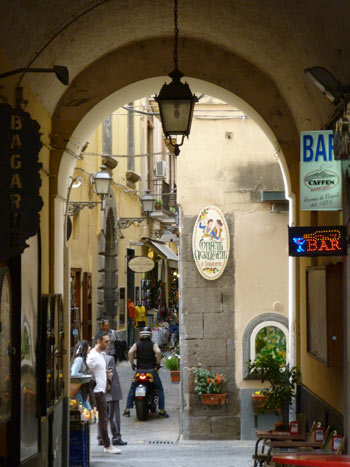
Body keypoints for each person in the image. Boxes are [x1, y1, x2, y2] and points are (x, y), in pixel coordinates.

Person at [86, 331, 121, 455]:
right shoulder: (93, 356)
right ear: (98, 341)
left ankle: (106, 444)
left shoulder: (101, 354)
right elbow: (86, 369)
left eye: (109, 341)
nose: (108, 344)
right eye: (106, 341)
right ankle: (107, 445)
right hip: (97, 392)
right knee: (103, 419)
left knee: (102, 419)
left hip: (101, 390)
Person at [123, 327, 169, 418]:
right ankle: (162, 410)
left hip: (139, 371)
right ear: (150, 335)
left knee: (132, 388)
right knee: (160, 389)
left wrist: (132, 363)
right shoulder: (153, 344)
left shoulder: (137, 344)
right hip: (151, 371)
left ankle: (127, 410)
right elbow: (159, 352)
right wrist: (157, 364)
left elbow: (130, 352)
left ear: (140, 336)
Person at [98, 353, 127, 446]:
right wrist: (108, 386)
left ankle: (101, 437)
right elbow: (110, 374)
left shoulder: (93, 358)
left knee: (102, 416)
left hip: (100, 391)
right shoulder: (109, 358)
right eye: (107, 342)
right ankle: (116, 437)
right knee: (113, 415)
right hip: (110, 391)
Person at [70, 340, 93, 411]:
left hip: (81, 390)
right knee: (86, 409)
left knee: (86, 410)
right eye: (88, 346)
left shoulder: (81, 359)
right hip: (78, 390)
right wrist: (84, 375)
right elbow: (73, 373)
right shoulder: (79, 359)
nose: (90, 347)